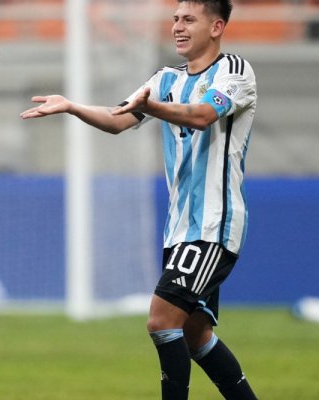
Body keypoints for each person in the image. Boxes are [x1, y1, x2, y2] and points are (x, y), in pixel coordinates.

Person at [21, 1, 258, 399]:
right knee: (195, 334)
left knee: (160, 320)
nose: (178, 28)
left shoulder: (235, 72)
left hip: (213, 224)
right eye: (175, 20)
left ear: (216, 27)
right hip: (180, 227)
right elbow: (119, 119)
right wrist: (72, 106)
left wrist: (152, 107)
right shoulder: (165, 78)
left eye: (188, 20)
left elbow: (202, 115)